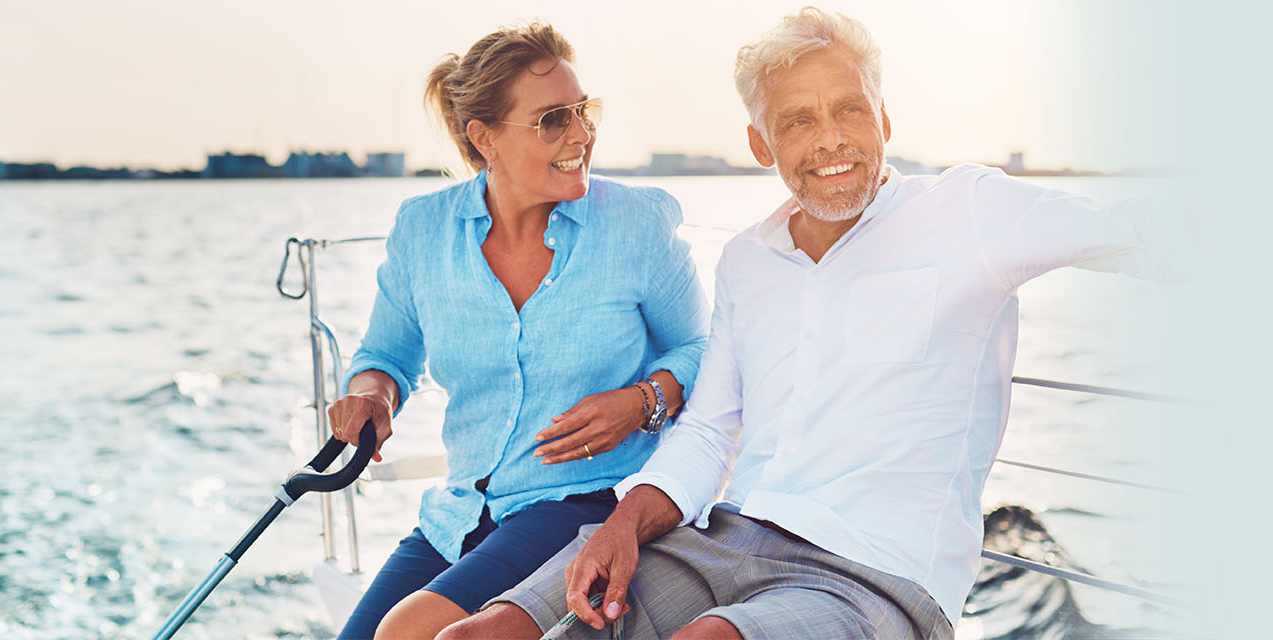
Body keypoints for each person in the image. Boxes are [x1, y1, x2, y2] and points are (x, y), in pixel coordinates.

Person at [441, 7, 1176, 640]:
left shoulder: (969, 213)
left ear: (883, 118)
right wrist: (624, 522)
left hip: (875, 573)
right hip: (720, 540)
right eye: (798, 119)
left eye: (850, 109)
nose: (831, 140)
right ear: (762, 145)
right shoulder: (746, 262)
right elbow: (708, 429)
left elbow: (1135, 233)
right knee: (483, 631)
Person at [324, 21, 708, 640]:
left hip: (583, 503)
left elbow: (702, 348)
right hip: (459, 513)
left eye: (584, 112)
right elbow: (387, 355)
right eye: (553, 118)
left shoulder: (636, 225)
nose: (581, 134)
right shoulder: (424, 230)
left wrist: (642, 402)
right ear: (485, 138)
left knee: (406, 633)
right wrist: (372, 394)